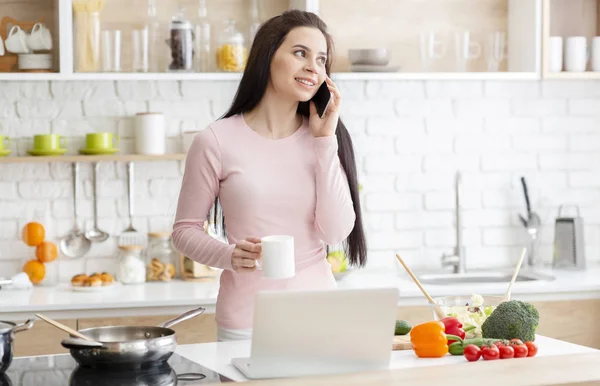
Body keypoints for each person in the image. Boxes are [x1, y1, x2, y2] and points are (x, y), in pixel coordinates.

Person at [172, 9, 366, 342]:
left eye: (321, 60)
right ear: (267, 56)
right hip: (246, 321)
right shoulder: (215, 140)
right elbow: (184, 231)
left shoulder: (325, 139)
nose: (312, 67)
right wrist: (228, 256)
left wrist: (324, 143)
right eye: (300, 53)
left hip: (321, 315)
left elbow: (335, 231)